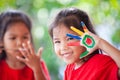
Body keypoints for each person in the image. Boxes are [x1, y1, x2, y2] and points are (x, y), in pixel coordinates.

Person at [49, 7, 120, 80]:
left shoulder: (100, 63)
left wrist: (100, 43)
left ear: (88, 37)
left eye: (70, 38)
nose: (63, 47)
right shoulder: (69, 69)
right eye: (57, 41)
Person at [0, 10, 50, 80]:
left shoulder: (37, 64)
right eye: (13, 38)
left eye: (25, 37)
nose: (20, 43)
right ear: (1, 41)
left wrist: (37, 68)